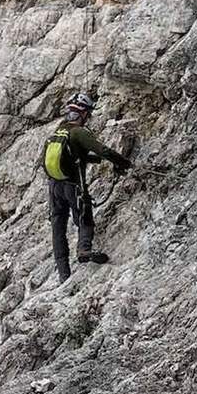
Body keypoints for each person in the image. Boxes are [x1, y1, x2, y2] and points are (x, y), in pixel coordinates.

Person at [42, 92, 131, 282]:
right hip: (73, 185)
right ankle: (84, 248)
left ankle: (64, 275)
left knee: (58, 227)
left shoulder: (59, 131)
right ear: (83, 114)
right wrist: (124, 163)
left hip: (54, 186)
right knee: (85, 217)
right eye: (88, 114)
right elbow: (103, 150)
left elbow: (71, 154)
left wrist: (90, 159)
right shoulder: (79, 132)